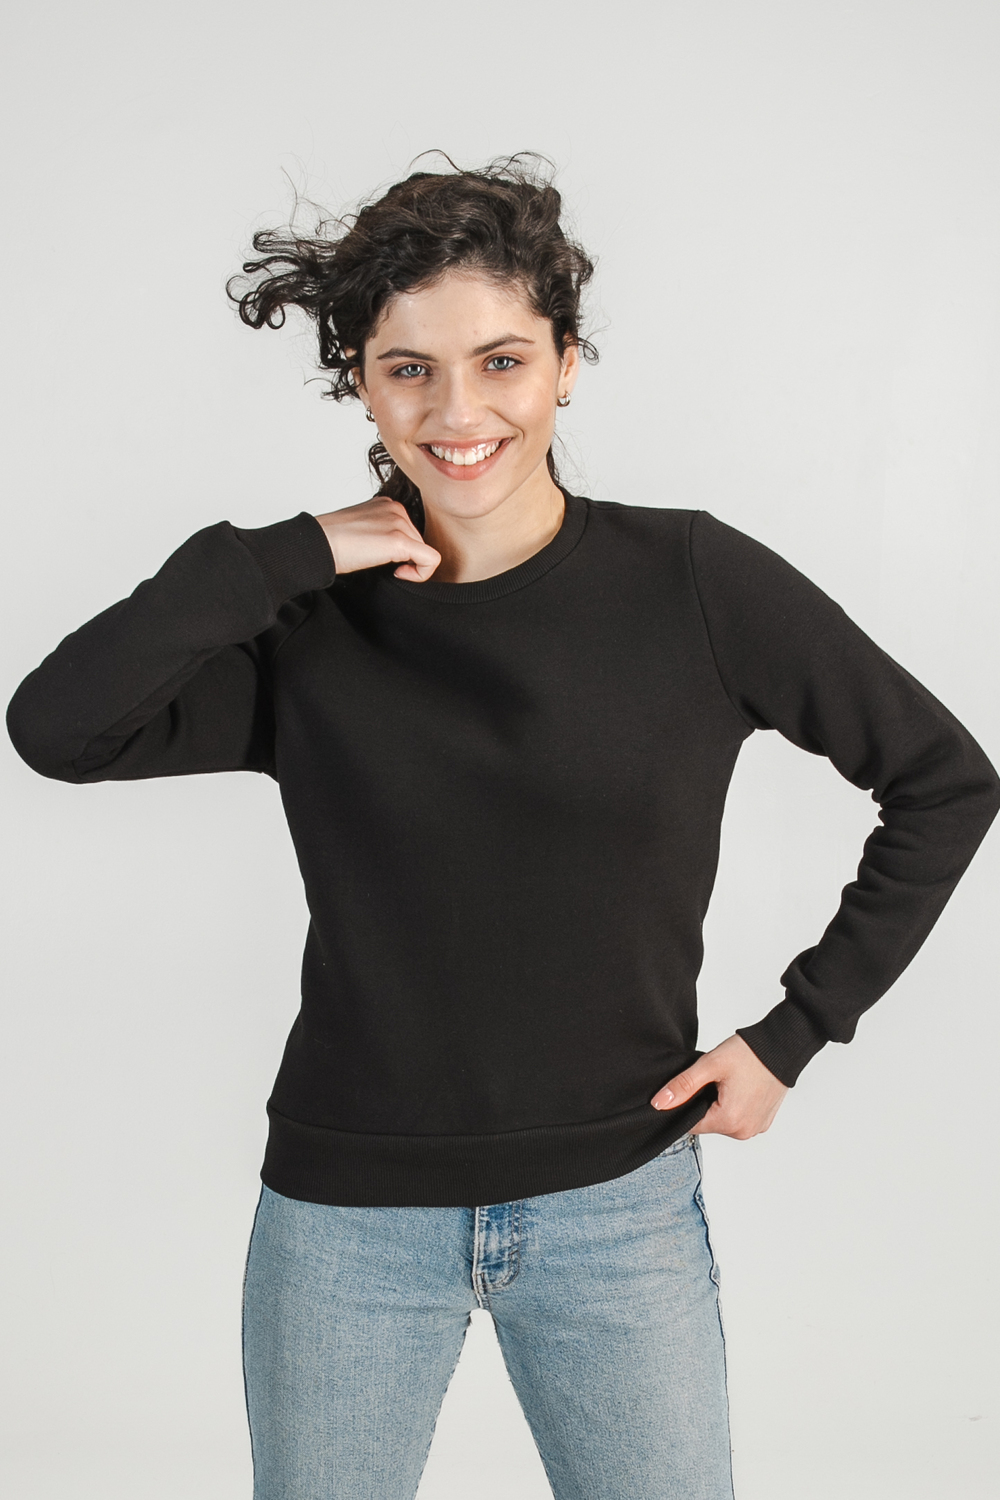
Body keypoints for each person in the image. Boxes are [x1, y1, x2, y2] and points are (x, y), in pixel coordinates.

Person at [6, 155, 999, 1500]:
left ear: (568, 367)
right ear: (362, 384)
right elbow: (58, 729)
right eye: (408, 369)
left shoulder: (692, 582)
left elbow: (943, 778)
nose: (458, 410)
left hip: (617, 1208)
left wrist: (798, 1031)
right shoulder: (310, 625)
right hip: (346, 1223)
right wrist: (284, 554)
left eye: (503, 362)